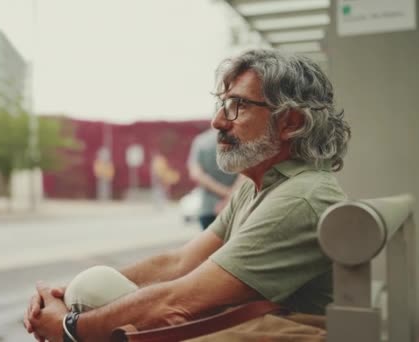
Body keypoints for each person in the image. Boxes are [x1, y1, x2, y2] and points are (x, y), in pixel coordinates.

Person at [23, 49, 351, 342]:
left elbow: (177, 303)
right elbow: (179, 263)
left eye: (238, 105)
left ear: (289, 123)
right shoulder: (262, 185)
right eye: (223, 104)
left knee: (97, 297)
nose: (218, 121)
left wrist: (69, 328)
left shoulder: (298, 199)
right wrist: (64, 295)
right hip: (255, 327)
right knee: (90, 285)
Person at [187, 127, 238, 229]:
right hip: (236, 206)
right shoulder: (239, 139)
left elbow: (196, 174)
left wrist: (223, 192)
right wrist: (229, 196)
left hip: (208, 208)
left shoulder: (200, 141)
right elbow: (246, 172)